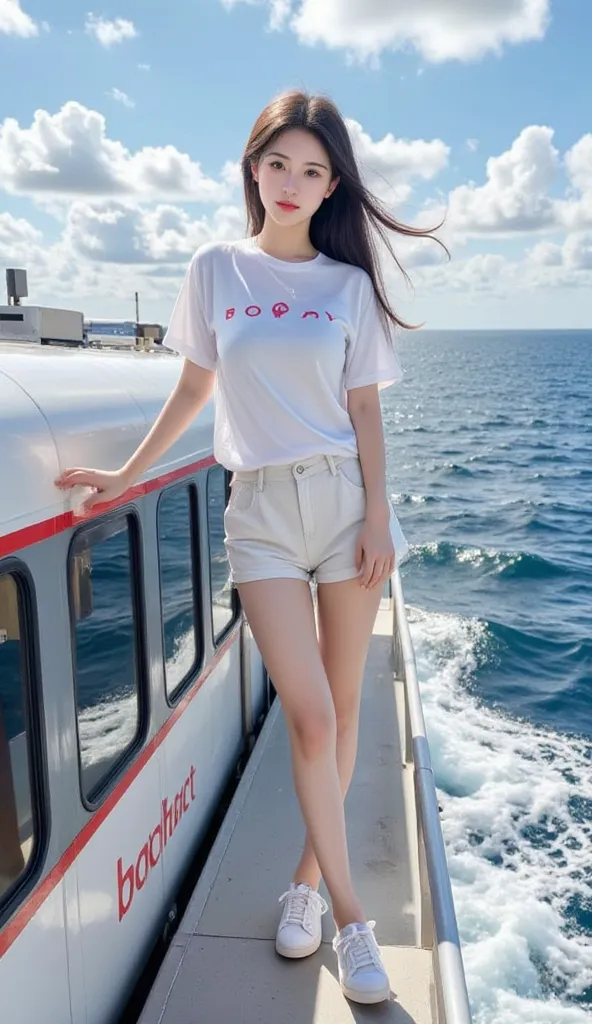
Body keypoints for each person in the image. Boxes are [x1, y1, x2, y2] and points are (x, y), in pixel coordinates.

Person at [55, 89, 444, 1006]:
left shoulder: (349, 289)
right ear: (252, 167)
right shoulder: (215, 271)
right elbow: (193, 392)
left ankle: (305, 887)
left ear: (332, 184)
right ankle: (355, 922)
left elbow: (364, 412)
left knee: (343, 716)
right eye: (279, 164)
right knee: (309, 719)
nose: (293, 183)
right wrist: (123, 476)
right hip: (262, 516)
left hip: (345, 507)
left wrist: (380, 518)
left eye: (313, 170)